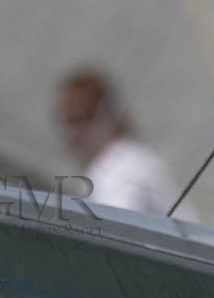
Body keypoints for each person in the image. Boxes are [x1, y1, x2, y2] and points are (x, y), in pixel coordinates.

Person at [56, 69, 199, 223]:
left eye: (75, 121)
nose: (69, 134)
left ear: (103, 117)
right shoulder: (130, 159)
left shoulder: (119, 170)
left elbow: (116, 230)